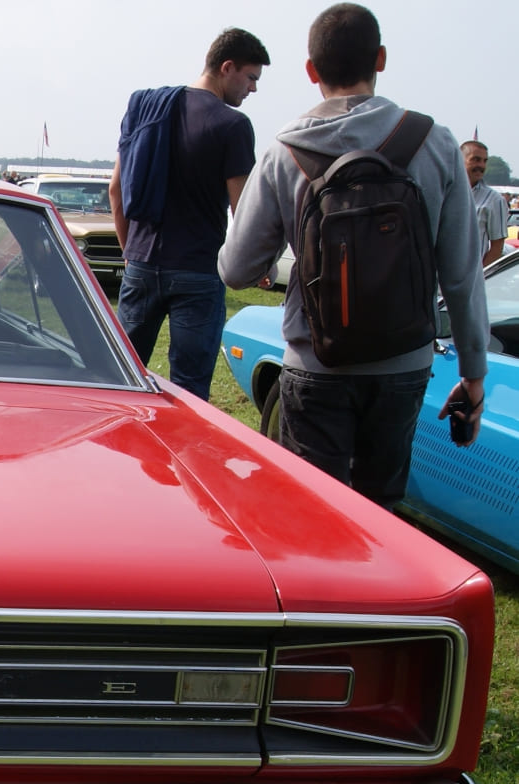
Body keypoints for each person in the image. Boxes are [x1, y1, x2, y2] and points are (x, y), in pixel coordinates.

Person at [218, 2, 487, 507]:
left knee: (313, 517)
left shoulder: (284, 151)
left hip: (316, 362)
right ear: (380, 59)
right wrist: (473, 373)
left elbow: (236, 269)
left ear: (311, 70)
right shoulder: (437, 143)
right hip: (403, 364)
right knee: (378, 517)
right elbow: (463, 273)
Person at [108, 27, 270, 401]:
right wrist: (258, 267)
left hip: (143, 264)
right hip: (197, 271)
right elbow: (243, 213)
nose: (253, 89)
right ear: (226, 67)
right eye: (251, 78)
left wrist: (132, 253)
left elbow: (116, 190)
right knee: (188, 393)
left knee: (120, 380)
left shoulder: (144, 107)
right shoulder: (232, 125)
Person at [462, 140, 508, 267]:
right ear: (460, 160)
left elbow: (497, 247)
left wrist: (480, 278)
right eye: (476, 160)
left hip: (470, 280)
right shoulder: (444, 194)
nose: (481, 165)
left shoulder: (494, 200)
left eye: (484, 161)